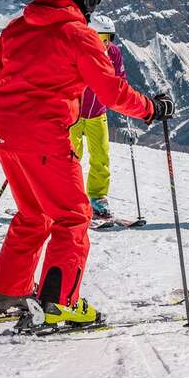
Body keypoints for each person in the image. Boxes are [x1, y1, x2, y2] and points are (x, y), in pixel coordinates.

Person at [0, 0, 173, 330]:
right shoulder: (78, 34)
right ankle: (59, 302)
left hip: (4, 134)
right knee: (73, 216)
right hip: (45, 137)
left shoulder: (16, 28)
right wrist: (151, 108)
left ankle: (8, 293)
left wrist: (18, 113)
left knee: (34, 215)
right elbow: (112, 92)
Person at [69, 14, 125, 222]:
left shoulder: (114, 53)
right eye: (99, 37)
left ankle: (98, 198)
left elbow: (119, 80)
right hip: (74, 113)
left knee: (101, 157)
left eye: (107, 38)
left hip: (98, 113)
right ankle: (67, 198)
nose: (104, 43)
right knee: (70, 157)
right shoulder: (80, 50)